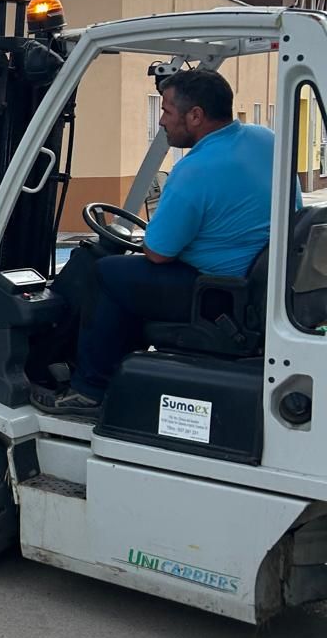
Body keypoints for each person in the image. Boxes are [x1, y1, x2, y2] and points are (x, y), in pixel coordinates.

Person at [37, 68, 278, 418]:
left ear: (195, 116)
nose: (162, 120)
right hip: (255, 284)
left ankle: (89, 390)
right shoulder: (265, 139)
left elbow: (158, 252)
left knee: (106, 272)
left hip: (216, 295)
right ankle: (122, 372)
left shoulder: (195, 170)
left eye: (166, 110)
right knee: (128, 279)